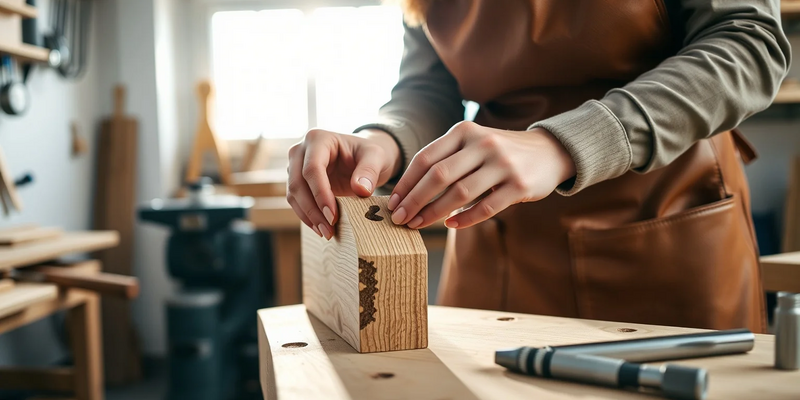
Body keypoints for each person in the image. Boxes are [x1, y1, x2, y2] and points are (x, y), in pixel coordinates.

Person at [286, 0, 791, 333]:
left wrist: (563, 144)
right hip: (494, 239)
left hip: (663, 225)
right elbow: (428, 85)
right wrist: (384, 140)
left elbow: (750, 42)